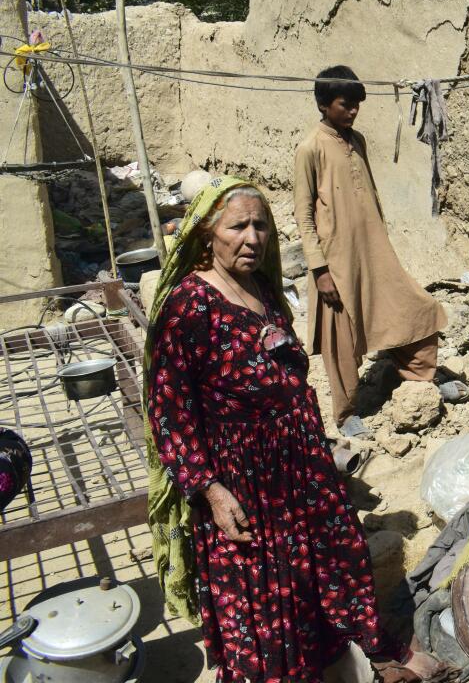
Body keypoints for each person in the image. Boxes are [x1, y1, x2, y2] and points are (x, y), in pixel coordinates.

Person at [143, 176, 424, 683]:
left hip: (298, 463)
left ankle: (346, 652)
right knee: (267, 590)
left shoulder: (263, 289)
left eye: (261, 225)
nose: (252, 238)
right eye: (237, 227)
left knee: (334, 556)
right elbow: (170, 412)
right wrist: (210, 490)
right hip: (243, 478)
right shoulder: (190, 307)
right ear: (207, 234)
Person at [293, 65, 447, 436]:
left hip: (374, 253)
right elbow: (303, 214)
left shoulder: (357, 140)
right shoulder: (310, 148)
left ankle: (421, 379)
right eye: (346, 105)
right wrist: (320, 269)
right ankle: (346, 414)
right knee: (342, 338)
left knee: (416, 308)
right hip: (337, 261)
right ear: (323, 103)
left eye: (356, 105)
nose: (353, 111)